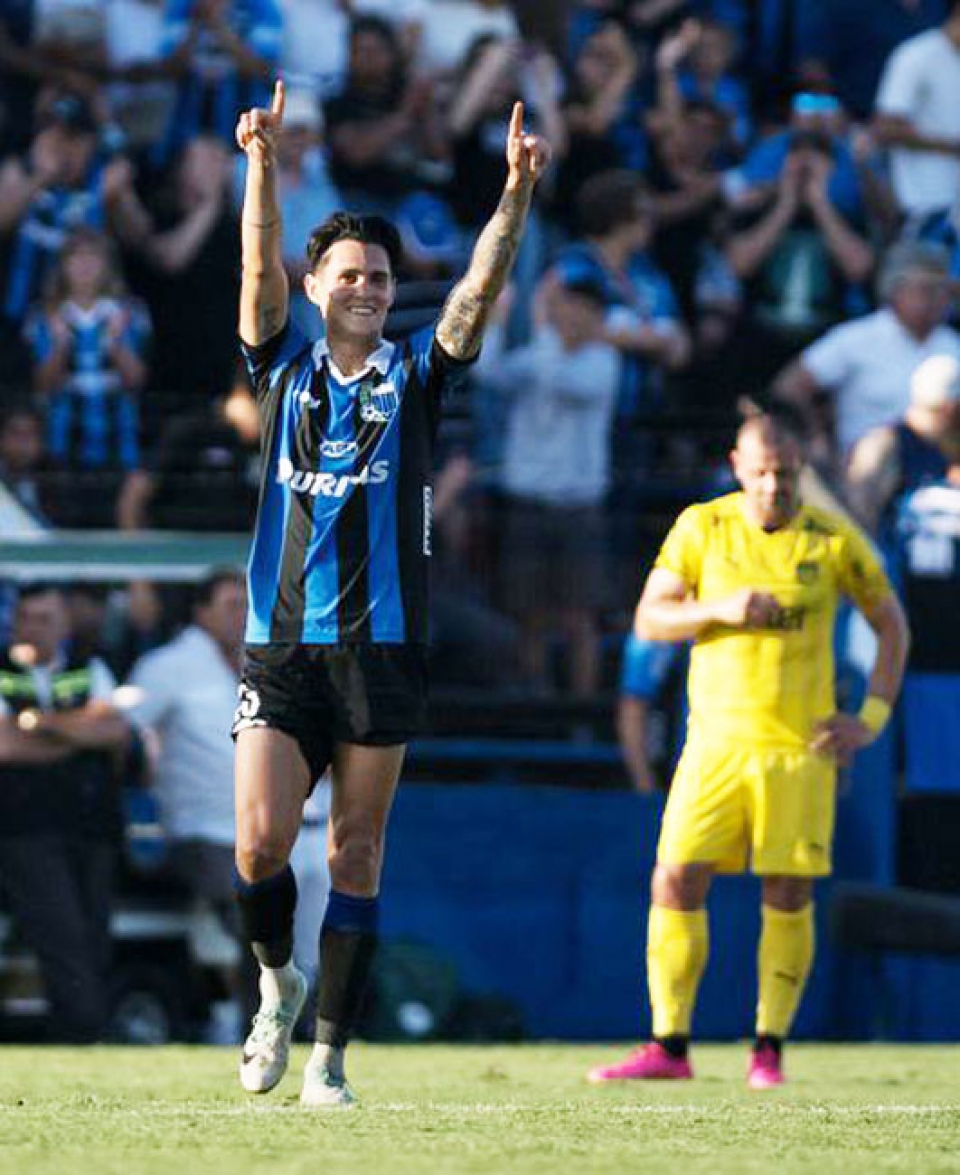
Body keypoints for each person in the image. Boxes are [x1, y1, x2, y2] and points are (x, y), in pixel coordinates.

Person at [230, 80, 549, 1107]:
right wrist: (265, 166)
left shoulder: (415, 378)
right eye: (348, 273)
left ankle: (328, 1058)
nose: (366, 286)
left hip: (383, 648)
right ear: (315, 285)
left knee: (355, 851)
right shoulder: (279, 364)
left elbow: (478, 294)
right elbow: (254, 264)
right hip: (281, 643)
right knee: (259, 845)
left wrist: (515, 194)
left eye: (377, 274)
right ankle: (277, 984)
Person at [587, 407, 909, 1089]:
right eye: (761, 472)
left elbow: (892, 626)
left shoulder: (832, 539)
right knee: (673, 877)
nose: (773, 487)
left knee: (787, 891)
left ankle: (769, 1047)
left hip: (800, 749)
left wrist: (871, 717)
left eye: (786, 473)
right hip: (715, 746)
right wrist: (719, 610)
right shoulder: (702, 526)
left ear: (802, 470)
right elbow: (650, 616)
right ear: (737, 466)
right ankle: (669, 1043)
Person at [122, 569, 250, 1042]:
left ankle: (274, 1024)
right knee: (245, 913)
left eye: (247, 605)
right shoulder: (168, 665)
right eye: (232, 604)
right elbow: (125, 730)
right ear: (201, 612)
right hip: (200, 828)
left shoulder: (266, 662)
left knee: (291, 922)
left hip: (268, 828)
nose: (242, 617)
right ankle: (232, 1020)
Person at [0, 583, 132, 1042]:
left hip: (91, 826)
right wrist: (78, 739)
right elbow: (6, 746)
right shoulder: (3, 672)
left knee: (93, 932)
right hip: (23, 830)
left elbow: (114, 730)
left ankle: (84, 1030)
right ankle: (84, 1031)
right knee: (63, 933)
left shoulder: (88, 668)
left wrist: (43, 724)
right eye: (28, 617)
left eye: (46, 618)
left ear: (64, 624)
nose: (34, 627)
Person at [846, 352, 960, 536]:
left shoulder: (950, 448)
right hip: (893, 561)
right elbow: (859, 517)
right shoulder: (884, 446)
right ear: (949, 407)